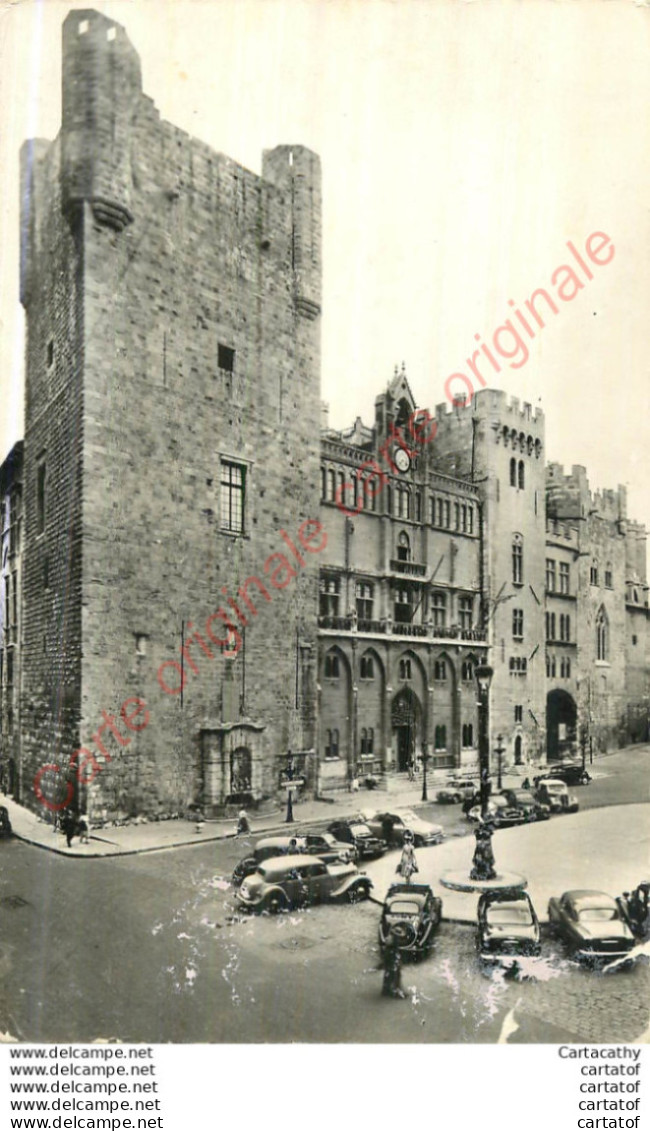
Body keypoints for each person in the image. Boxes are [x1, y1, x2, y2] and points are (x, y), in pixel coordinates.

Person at [381, 928, 406, 999]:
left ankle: (388, 990)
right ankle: (392, 991)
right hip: (391, 961)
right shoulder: (393, 942)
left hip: (391, 960)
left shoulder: (392, 941)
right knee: (393, 975)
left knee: (391, 975)